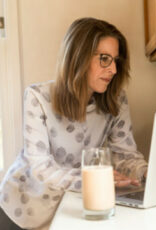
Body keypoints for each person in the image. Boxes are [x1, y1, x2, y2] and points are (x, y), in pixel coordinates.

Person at [0, 17, 148, 229]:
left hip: (67, 208)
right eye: (105, 58)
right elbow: (41, 167)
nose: (114, 69)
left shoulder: (116, 100)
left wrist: (145, 172)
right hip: (19, 209)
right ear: (78, 57)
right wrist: (95, 180)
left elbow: (124, 155)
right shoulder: (37, 97)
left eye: (116, 60)